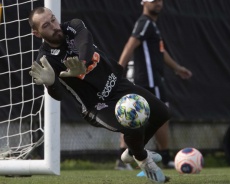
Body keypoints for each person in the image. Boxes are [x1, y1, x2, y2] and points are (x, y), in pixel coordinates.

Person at [28, 7, 170, 183]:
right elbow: (58, 96)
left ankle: (132, 151)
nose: (54, 26)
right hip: (96, 104)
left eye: (53, 19)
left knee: (163, 113)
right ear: (37, 33)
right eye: (46, 25)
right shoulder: (45, 60)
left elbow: (85, 41)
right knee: (132, 125)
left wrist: (82, 62)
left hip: (118, 85)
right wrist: (50, 84)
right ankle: (142, 158)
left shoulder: (73, 26)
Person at [117, 0, 192, 170]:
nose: (158, 3)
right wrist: (118, 70)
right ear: (144, 3)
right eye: (153, 1)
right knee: (162, 116)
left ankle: (123, 158)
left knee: (132, 117)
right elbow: (130, 45)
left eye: (159, 0)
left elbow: (161, 52)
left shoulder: (152, 25)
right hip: (149, 80)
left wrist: (178, 68)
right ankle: (164, 157)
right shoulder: (144, 23)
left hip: (150, 79)